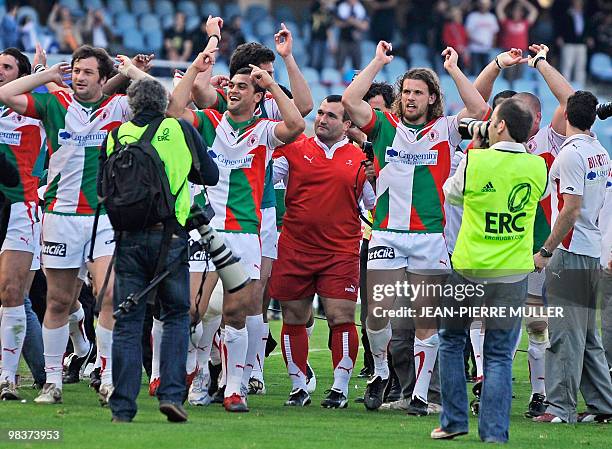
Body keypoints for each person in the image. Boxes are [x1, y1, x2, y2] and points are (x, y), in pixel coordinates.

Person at [342, 41, 488, 415]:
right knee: (377, 313)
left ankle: (420, 396)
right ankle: (378, 372)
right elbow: (350, 101)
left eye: (418, 93)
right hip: (388, 233)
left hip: (428, 238)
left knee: (426, 319)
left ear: (432, 98)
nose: (409, 98)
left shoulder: (446, 129)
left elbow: (479, 109)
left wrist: (455, 69)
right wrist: (377, 62)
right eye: (406, 92)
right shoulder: (383, 127)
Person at [168, 43, 305, 412]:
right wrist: (196, 68)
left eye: (244, 87)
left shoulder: (264, 131)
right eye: (232, 86)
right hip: (205, 229)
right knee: (193, 310)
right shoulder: (210, 123)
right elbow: (174, 110)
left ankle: (234, 388)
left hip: (245, 233)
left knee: (234, 314)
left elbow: (297, 124)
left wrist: (271, 84)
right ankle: (194, 372)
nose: (233, 90)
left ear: (258, 96)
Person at [0, 45, 133, 405]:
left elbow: (164, 101)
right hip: (60, 216)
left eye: (87, 72)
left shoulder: (117, 107)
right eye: (75, 71)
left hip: (102, 217)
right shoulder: (54, 105)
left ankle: (107, 378)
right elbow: (5, 94)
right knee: (58, 301)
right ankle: (52, 382)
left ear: (104, 80)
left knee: (109, 295)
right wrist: (47, 75)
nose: (78, 77)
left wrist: (132, 71)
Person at [103, 77, 219, 423]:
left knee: (127, 320)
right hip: (170, 237)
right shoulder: (180, 129)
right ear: (164, 103)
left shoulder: (115, 136)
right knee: (175, 316)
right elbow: (209, 175)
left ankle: (122, 406)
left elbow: (102, 188)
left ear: (132, 104)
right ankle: (171, 395)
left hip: (127, 238)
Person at [433, 97, 547, 442]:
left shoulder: (475, 161)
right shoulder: (537, 167)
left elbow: (450, 195)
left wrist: (474, 151)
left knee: (451, 340)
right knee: (499, 354)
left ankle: (453, 421)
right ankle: (494, 433)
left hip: (469, 268)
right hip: (512, 273)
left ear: (498, 125)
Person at [471, 43, 575, 418]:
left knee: (536, 322)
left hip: (534, 244)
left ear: (538, 117)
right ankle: (484, 382)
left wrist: (540, 63)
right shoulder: (495, 141)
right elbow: (474, 99)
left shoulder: (552, 140)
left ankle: (539, 392)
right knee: (484, 318)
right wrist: (498, 64)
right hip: (495, 242)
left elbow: (571, 99)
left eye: (524, 113)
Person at [269, 95, 376, 408]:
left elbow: (371, 204)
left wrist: (374, 177)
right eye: (320, 113)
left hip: (340, 251)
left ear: (346, 125)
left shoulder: (359, 159)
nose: (322, 119)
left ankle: (340, 388)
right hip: (295, 247)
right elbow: (264, 179)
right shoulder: (292, 149)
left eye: (332, 116)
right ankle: (298, 386)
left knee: (340, 317)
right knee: (293, 317)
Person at [533, 91, 612, 424]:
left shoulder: (569, 156)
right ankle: (604, 404)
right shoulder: (599, 151)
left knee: (565, 335)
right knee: (588, 337)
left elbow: (570, 208)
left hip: (570, 251)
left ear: (566, 116)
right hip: (591, 250)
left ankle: (559, 408)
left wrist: (546, 250)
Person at [0, 47, 47, 399]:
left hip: (22, 209)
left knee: (13, 294)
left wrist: (43, 70)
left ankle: (8, 377)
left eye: (6, 67)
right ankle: (43, 371)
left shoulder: (38, 110)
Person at [495, 0, 538, 82]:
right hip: (509, 53)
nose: (517, 13)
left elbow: (534, 11)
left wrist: (523, 1)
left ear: (522, 13)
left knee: (520, 77)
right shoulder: (506, 22)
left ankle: (518, 93)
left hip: (522, 53)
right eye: (515, 11)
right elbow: (499, 8)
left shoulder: (525, 23)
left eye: (519, 11)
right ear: (511, 12)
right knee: (508, 76)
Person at [557, 0, 594, 87]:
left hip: (581, 44)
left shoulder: (584, 15)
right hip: (568, 43)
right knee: (567, 66)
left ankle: (580, 88)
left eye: (580, 3)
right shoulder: (566, 14)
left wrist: (589, 37)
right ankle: (564, 87)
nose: (578, 5)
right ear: (573, 3)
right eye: (577, 3)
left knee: (581, 67)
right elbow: (559, 26)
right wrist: (559, 37)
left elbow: (588, 28)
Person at [465, 0, 499, 75]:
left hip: (487, 50)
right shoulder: (472, 16)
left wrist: (492, 46)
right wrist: (478, 42)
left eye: (486, 4)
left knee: (485, 74)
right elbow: (467, 33)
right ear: (478, 4)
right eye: (482, 4)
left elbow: (494, 33)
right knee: (473, 73)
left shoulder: (491, 17)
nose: (484, 6)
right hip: (474, 49)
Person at [335, 0, 369, 71]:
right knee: (340, 63)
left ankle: (355, 81)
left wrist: (351, 21)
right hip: (343, 39)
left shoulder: (361, 7)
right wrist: (353, 22)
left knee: (357, 64)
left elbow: (365, 26)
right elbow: (337, 23)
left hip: (356, 40)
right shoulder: (341, 6)